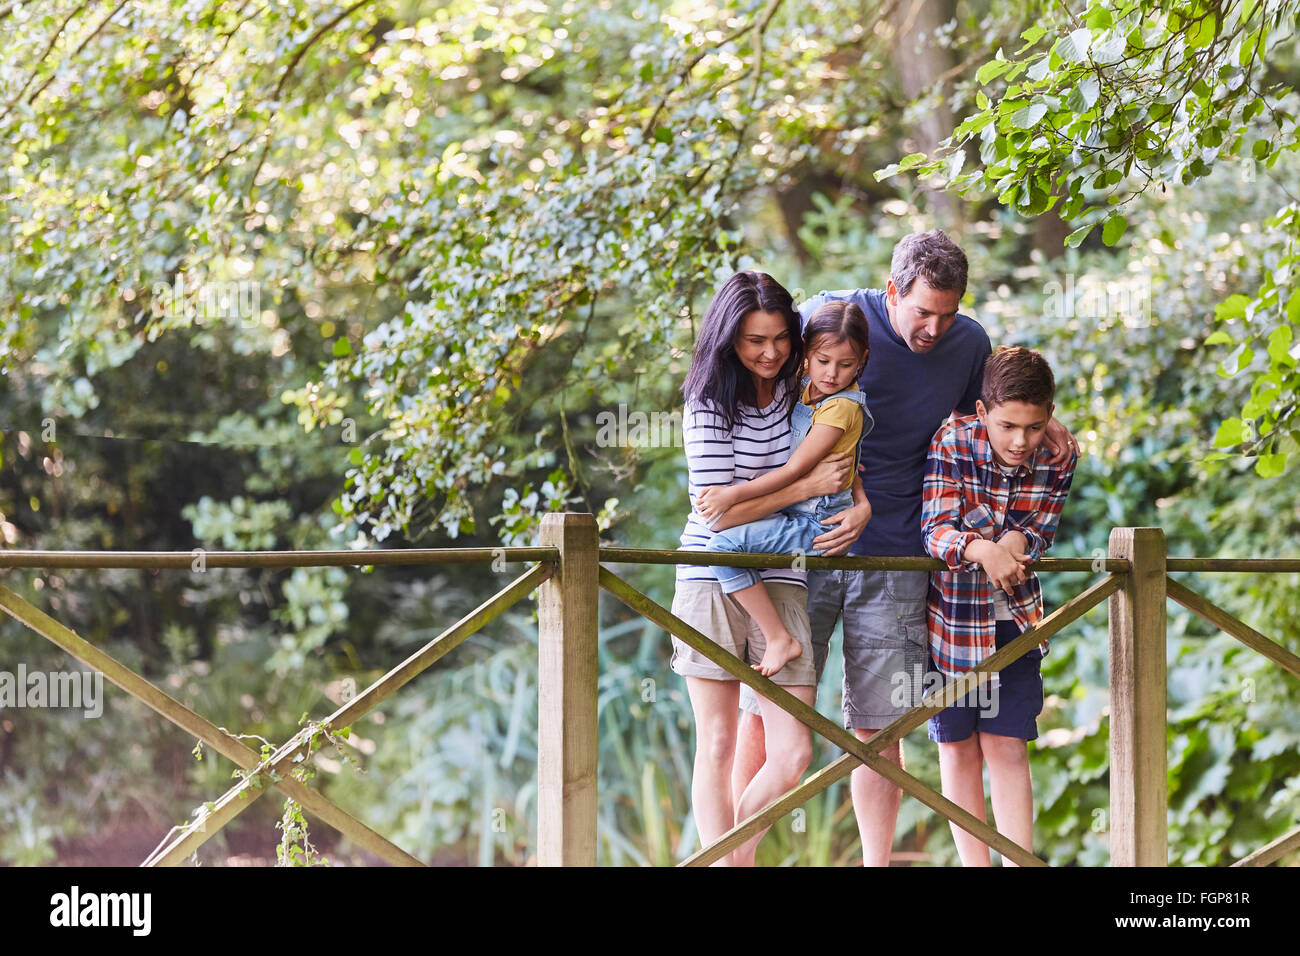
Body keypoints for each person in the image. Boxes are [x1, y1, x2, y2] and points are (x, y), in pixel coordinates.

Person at [729, 230, 1081, 866]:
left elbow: (998, 403)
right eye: (922, 311)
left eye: (947, 313)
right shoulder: (826, 317)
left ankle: (875, 863)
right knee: (766, 712)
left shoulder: (968, 341)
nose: (934, 328)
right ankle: (735, 857)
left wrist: (1049, 422)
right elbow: (761, 380)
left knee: (880, 727)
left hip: (898, 555)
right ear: (891, 291)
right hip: (801, 551)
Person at [673, 271, 871, 866]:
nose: (769, 352)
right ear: (728, 338)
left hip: (784, 574)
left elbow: (858, 319)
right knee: (718, 741)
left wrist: (860, 503)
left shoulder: (800, 388)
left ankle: (732, 858)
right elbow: (714, 514)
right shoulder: (707, 402)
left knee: (792, 753)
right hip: (712, 575)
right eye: (755, 340)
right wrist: (805, 485)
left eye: (782, 338)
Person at [921, 346, 1078, 865]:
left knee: (1008, 745)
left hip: (1017, 619)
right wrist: (987, 546)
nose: (1021, 441)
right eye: (1008, 425)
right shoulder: (952, 441)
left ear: (1050, 416)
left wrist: (1016, 541)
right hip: (953, 623)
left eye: (1034, 427)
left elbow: (1040, 531)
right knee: (957, 748)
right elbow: (936, 530)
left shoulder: (1059, 455)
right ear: (982, 412)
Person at [696, 300, 873, 678]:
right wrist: (860, 496)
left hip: (819, 522)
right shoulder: (805, 390)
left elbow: (795, 470)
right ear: (806, 352)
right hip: (804, 513)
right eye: (823, 361)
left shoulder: (841, 407)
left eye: (846, 365)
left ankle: (778, 637)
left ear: (862, 360)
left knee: (722, 547)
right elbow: (852, 464)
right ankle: (777, 636)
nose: (832, 373)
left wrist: (732, 494)